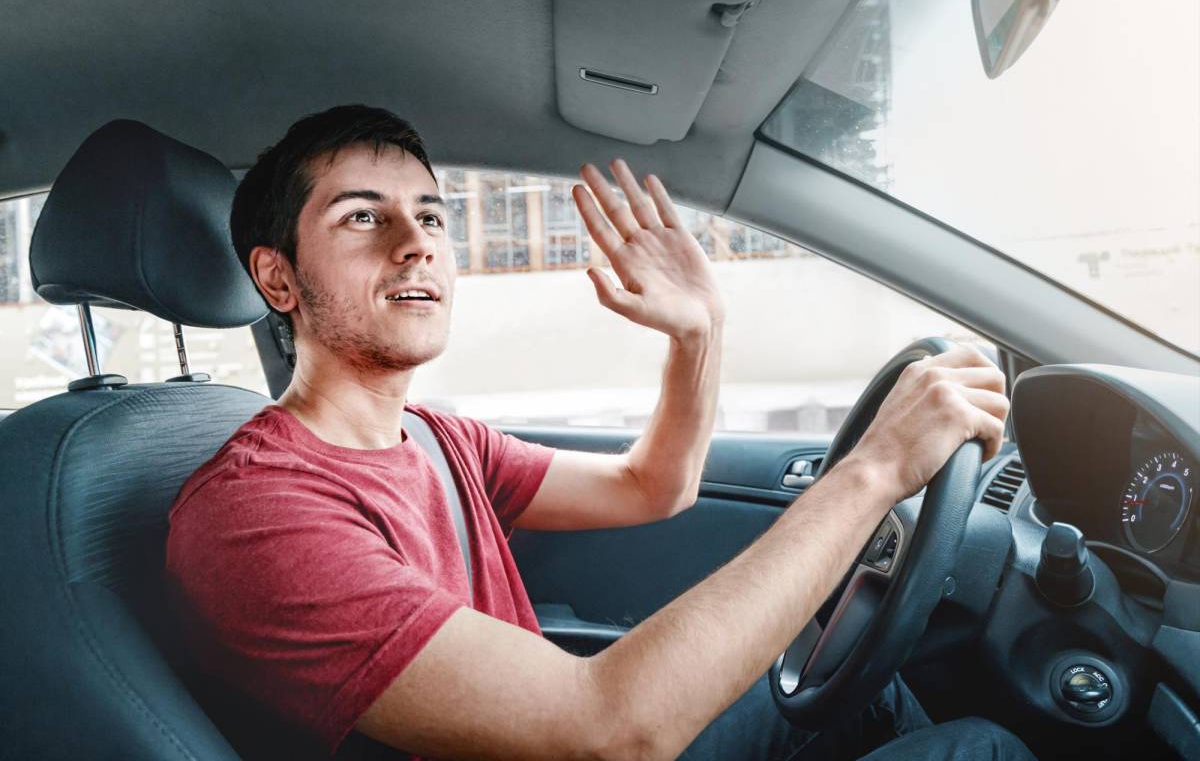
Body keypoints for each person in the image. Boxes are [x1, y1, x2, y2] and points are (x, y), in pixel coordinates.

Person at [166, 104, 1033, 761]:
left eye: (430, 216)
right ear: (277, 279)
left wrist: (697, 334)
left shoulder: (435, 438)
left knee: (854, 696)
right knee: (979, 750)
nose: (416, 244)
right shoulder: (258, 514)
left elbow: (653, 486)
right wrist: (873, 470)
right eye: (363, 217)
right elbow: (607, 727)